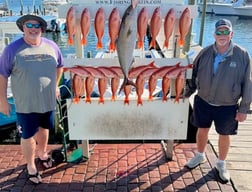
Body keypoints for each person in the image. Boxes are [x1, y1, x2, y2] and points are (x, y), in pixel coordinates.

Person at [185, 18, 252, 182]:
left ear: (231, 34)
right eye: (219, 32)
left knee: (224, 134)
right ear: (214, 34)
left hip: (228, 105)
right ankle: (200, 155)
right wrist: (186, 93)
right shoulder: (205, 52)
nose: (222, 35)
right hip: (203, 100)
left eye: (225, 32)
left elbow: (248, 83)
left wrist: (244, 109)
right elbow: (192, 75)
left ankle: (221, 163)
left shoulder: (242, 55)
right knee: (202, 130)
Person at [0, 14, 64, 184]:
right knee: (27, 135)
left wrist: (56, 85)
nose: (33, 28)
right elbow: (3, 75)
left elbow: (60, 66)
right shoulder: (12, 49)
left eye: (37, 26)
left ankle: (42, 153)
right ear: (23, 27)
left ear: (42, 29)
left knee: (44, 129)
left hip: (47, 100)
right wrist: (2, 100)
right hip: (25, 104)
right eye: (29, 25)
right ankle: (30, 165)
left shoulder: (52, 46)